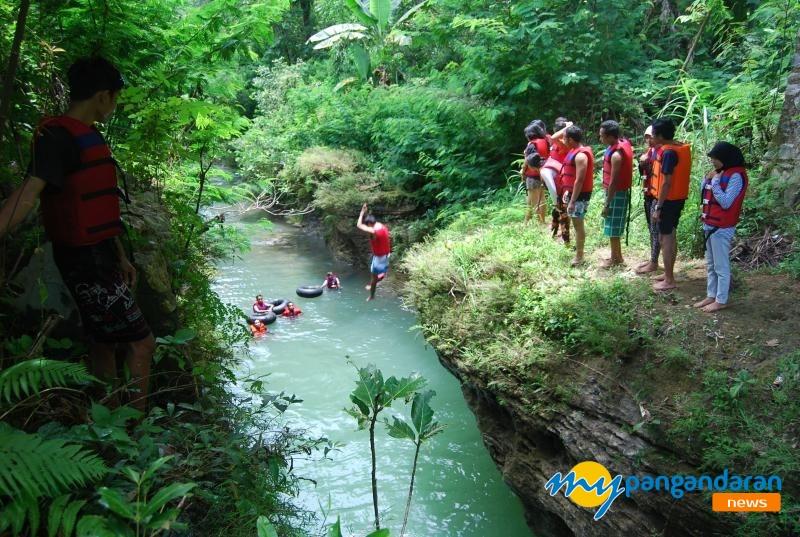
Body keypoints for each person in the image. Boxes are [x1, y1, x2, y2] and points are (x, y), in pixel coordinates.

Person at [0, 57, 154, 412]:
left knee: (103, 340)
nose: (113, 105)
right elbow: (27, 194)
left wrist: (119, 256)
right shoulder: (57, 137)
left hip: (99, 255)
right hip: (85, 260)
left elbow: (96, 209)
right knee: (141, 344)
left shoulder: (83, 134)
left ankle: (107, 419)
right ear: (103, 96)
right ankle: (136, 430)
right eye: (114, 97)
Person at [693, 142, 747, 313]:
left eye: (715, 158)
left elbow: (725, 202)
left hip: (722, 228)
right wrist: (707, 180)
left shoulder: (736, 176)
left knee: (721, 266)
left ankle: (721, 300)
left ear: (726, 158)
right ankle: (711, 295)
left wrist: (715, 183)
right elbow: (704, 193)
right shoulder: (718, 174)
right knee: (710, 264)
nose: (713, 161)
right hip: (709, 225)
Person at [649, 118, 692, 291]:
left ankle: (669, 279)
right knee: (669, 235)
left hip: (668, 201)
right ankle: (668, 273)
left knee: (666, 238)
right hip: (677, 199)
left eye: (653, 134)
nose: (651, 137)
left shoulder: (668, 154)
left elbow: (666, 183)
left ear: (659, 135)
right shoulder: (678, 147)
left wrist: (658, 206)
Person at [598, 120, 634, 268]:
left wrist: (607, 203)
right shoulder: (618, 144)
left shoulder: (616, 155)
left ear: (610, 137)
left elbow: (613, 181)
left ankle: (616, 259)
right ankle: (616, 256)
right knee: (612, 225)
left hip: (616, 193)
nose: (600, 138)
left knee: (613, 226)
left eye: (602, 136)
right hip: (614, 192)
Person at [558, 126, 595, 266]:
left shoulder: (580, 156)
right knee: (575, 223)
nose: (563, 140)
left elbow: (579, 180)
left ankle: (580, 257)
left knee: (578, 225)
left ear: (571, 140)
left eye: (565, 137)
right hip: (573, 194)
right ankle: (578, 253)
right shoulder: (573, 151)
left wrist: (572, 200)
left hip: (579, 195)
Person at [635, 126, 662, 275]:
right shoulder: (649, 153)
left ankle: (654, 261)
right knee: (651, 228)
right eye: (646, 137)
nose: (648, 140)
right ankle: (653, 259)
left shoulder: (662, 153)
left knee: (656, 229)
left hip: (658, 196)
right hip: (648, 193)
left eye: (650, 136)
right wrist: (642, 163)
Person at [545, 117, 573, 242]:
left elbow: (553, 137)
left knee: (563, 211)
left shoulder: (564, 144)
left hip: (565, 182)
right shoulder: (555, 145)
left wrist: (568, 127)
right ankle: (554, 231)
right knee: (557, 210)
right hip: (556, 181)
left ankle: (565, 238)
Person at [356, 203, 391, 301]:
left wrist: (362, 212)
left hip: (380, 257)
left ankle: (372, 295)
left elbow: (359, 225)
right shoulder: (381, 225)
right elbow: (369, 221)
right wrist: (366, 212)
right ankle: (381, 275)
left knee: (374, 277)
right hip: (385, 254)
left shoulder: (374, 231)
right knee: (377, 273)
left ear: (370, 224)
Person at [521, 121, 550, 225]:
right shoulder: (545, 141)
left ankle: (540, 224)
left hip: (532, 175)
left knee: (535, 202)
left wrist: (522, 172)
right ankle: (530, 221)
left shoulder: (531, 145)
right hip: (543, 174)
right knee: (541, 199)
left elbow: (527, 161)